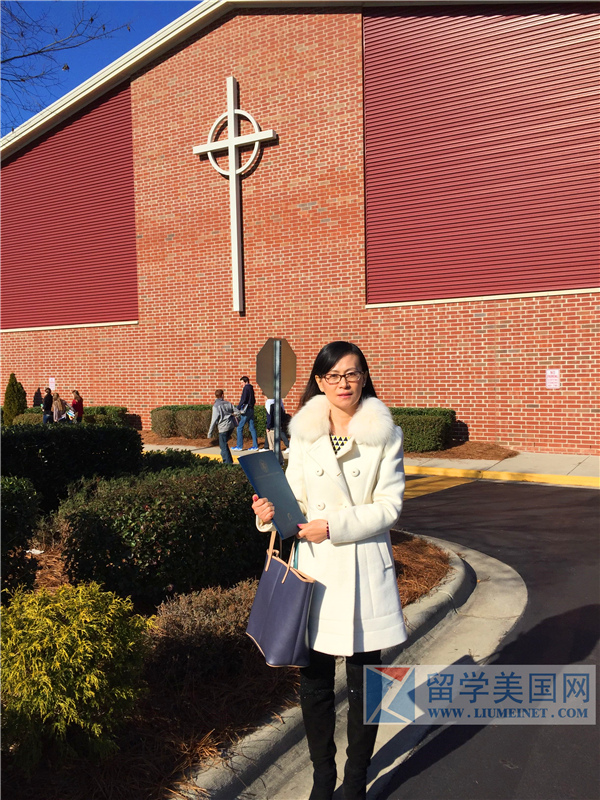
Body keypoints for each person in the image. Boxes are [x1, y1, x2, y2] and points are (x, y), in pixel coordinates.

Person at [252, 341, 407, 800]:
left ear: (364, 377)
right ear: (319, 382)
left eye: (352, 373)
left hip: (363, 571)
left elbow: (390, 506)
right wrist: (268, 514)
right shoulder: (305, 433)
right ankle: (323, 777)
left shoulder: (385, 433)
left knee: (366, 687)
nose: (344, 383)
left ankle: (356, 780)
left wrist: (333, 526)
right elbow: (295, 498)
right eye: (334, 375)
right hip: (316, 574)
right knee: (315, 684)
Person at [207, 389, 238, 464]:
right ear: (222, 395)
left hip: (223, 428)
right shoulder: (228, 403)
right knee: (224, 444)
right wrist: (233, 416)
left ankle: (227, 462)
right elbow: (237, 412)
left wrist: (210, 432)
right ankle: (228, 460)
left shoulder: (216, 406)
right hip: (231, 426)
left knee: (223, 445)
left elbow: (213, 420)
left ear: (215, 396)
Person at [232, 375, 259, 452]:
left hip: (246, 411)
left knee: (239, 428)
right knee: (252, 428)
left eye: (242, 382)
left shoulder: (246, 388)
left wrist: (237, 408)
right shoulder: (251, 388)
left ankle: (239, 446)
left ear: (246, 382)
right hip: (251, 409)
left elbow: (243, 399)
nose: (241, 384)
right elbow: (254, 400)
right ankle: (255, 446)